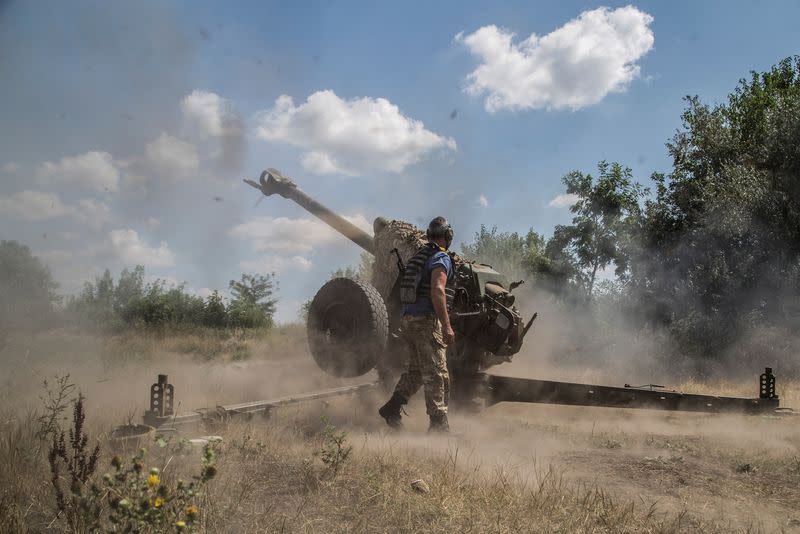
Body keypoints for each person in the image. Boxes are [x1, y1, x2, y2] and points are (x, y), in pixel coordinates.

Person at [378, 216, 456, 432]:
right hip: (425, 322)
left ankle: (392, 408)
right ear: (448, 237)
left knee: (418, 370)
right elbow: (438, 291)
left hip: (408, 320)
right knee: (437, 373)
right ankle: (438, 425)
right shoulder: (441, 257)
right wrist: (447, 325)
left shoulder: (418, 257)